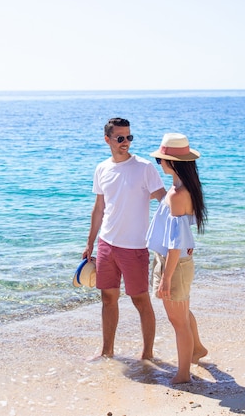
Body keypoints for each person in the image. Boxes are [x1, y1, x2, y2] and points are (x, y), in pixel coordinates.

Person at [82, 118, 166, 360]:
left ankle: (147, 355)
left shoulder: (144, 167)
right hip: (107, 244)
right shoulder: (102, 169)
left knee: (140, 300)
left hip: (135, 247)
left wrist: (177, 235)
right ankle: (107, 351)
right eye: (120, 138)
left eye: (129, 137)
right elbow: (99, 208)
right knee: (108, 298)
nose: (126, 142)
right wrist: (90, 243)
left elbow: (164, 201)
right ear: (107, 139)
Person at [146, 132, 208, 383]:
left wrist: (166, 277)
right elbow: (181, 230)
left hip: (174, 263)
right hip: (174, 261)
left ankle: (183, 375)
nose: (159, 163)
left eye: (161, 159)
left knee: (178, 320)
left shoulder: (177, 194)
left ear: (173, 163)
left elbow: (175, 244)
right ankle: (197, 349)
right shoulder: (182, 188)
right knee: (182, 313)